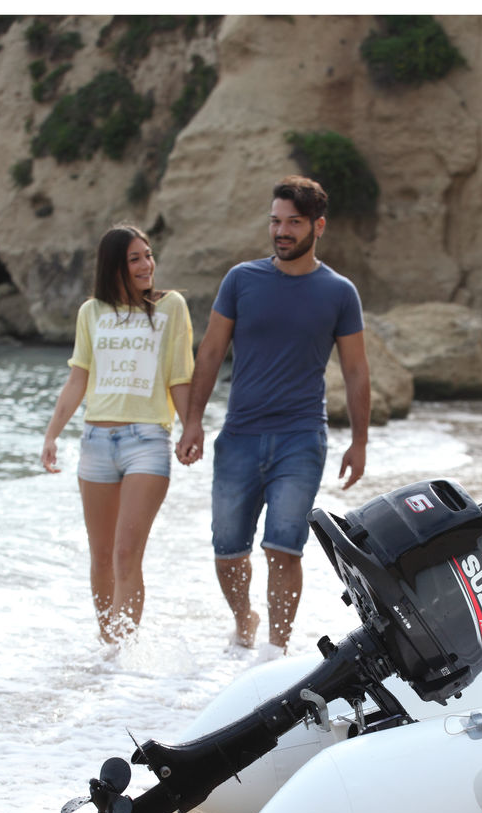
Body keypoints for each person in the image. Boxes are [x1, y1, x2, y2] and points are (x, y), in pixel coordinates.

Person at [176, 175, 371, 660]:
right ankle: (244, 619)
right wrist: (193, 422)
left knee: (284, 546)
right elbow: (211, 352)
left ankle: (274, 652)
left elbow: (355, 370)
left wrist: (359, 441)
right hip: (239, 435)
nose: (281, 231)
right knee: (228, 550)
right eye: (275, 221)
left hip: (301, 438)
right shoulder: (241, 280)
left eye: (293, 222)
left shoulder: (339, 292)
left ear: (318, 226)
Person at [41, 224, 194, 644]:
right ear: (114, 267)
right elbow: (78, 378)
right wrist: (52, 434)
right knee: (102, 556)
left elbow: (180, 375)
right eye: (135, 259)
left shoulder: (171, 307)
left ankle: (126, 651)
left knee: (127, 553)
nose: (147, 265)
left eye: (149, 255)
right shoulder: (91, 312)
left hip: (147, 442)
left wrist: (190, 428)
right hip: (95, 442)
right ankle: (109, 650)